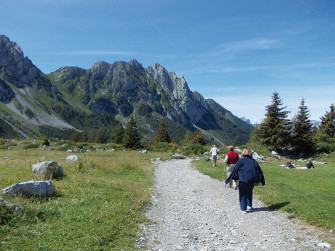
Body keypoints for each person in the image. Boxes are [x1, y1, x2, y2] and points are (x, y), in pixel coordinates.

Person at [225, 148, 265, 214]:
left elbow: (234, 170)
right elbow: (259, 171)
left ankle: (243, 209)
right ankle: (249, 205)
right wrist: (261, 181)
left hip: (243, 179)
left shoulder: (241, 161)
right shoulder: (254, 161)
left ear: (243, 153)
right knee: (249, 191)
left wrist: (228, 180)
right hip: (252, 179)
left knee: (243, 194)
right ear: (250, 153)